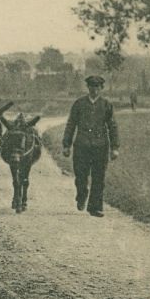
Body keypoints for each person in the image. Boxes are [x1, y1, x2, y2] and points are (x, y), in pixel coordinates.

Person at [62, 75, 121, 217]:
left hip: (100, 146)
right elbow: (71, 124)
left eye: (97, 87)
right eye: (92, 86)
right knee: (81, 175)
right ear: (88, 87)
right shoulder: (79, 104)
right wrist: (66, 145)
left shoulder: (106, 105)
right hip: (81, 146)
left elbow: (112, 126)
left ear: (101, 88)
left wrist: (114, 147)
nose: (94, 89)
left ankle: (95, 207)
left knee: (98, 177)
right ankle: (82, 195)